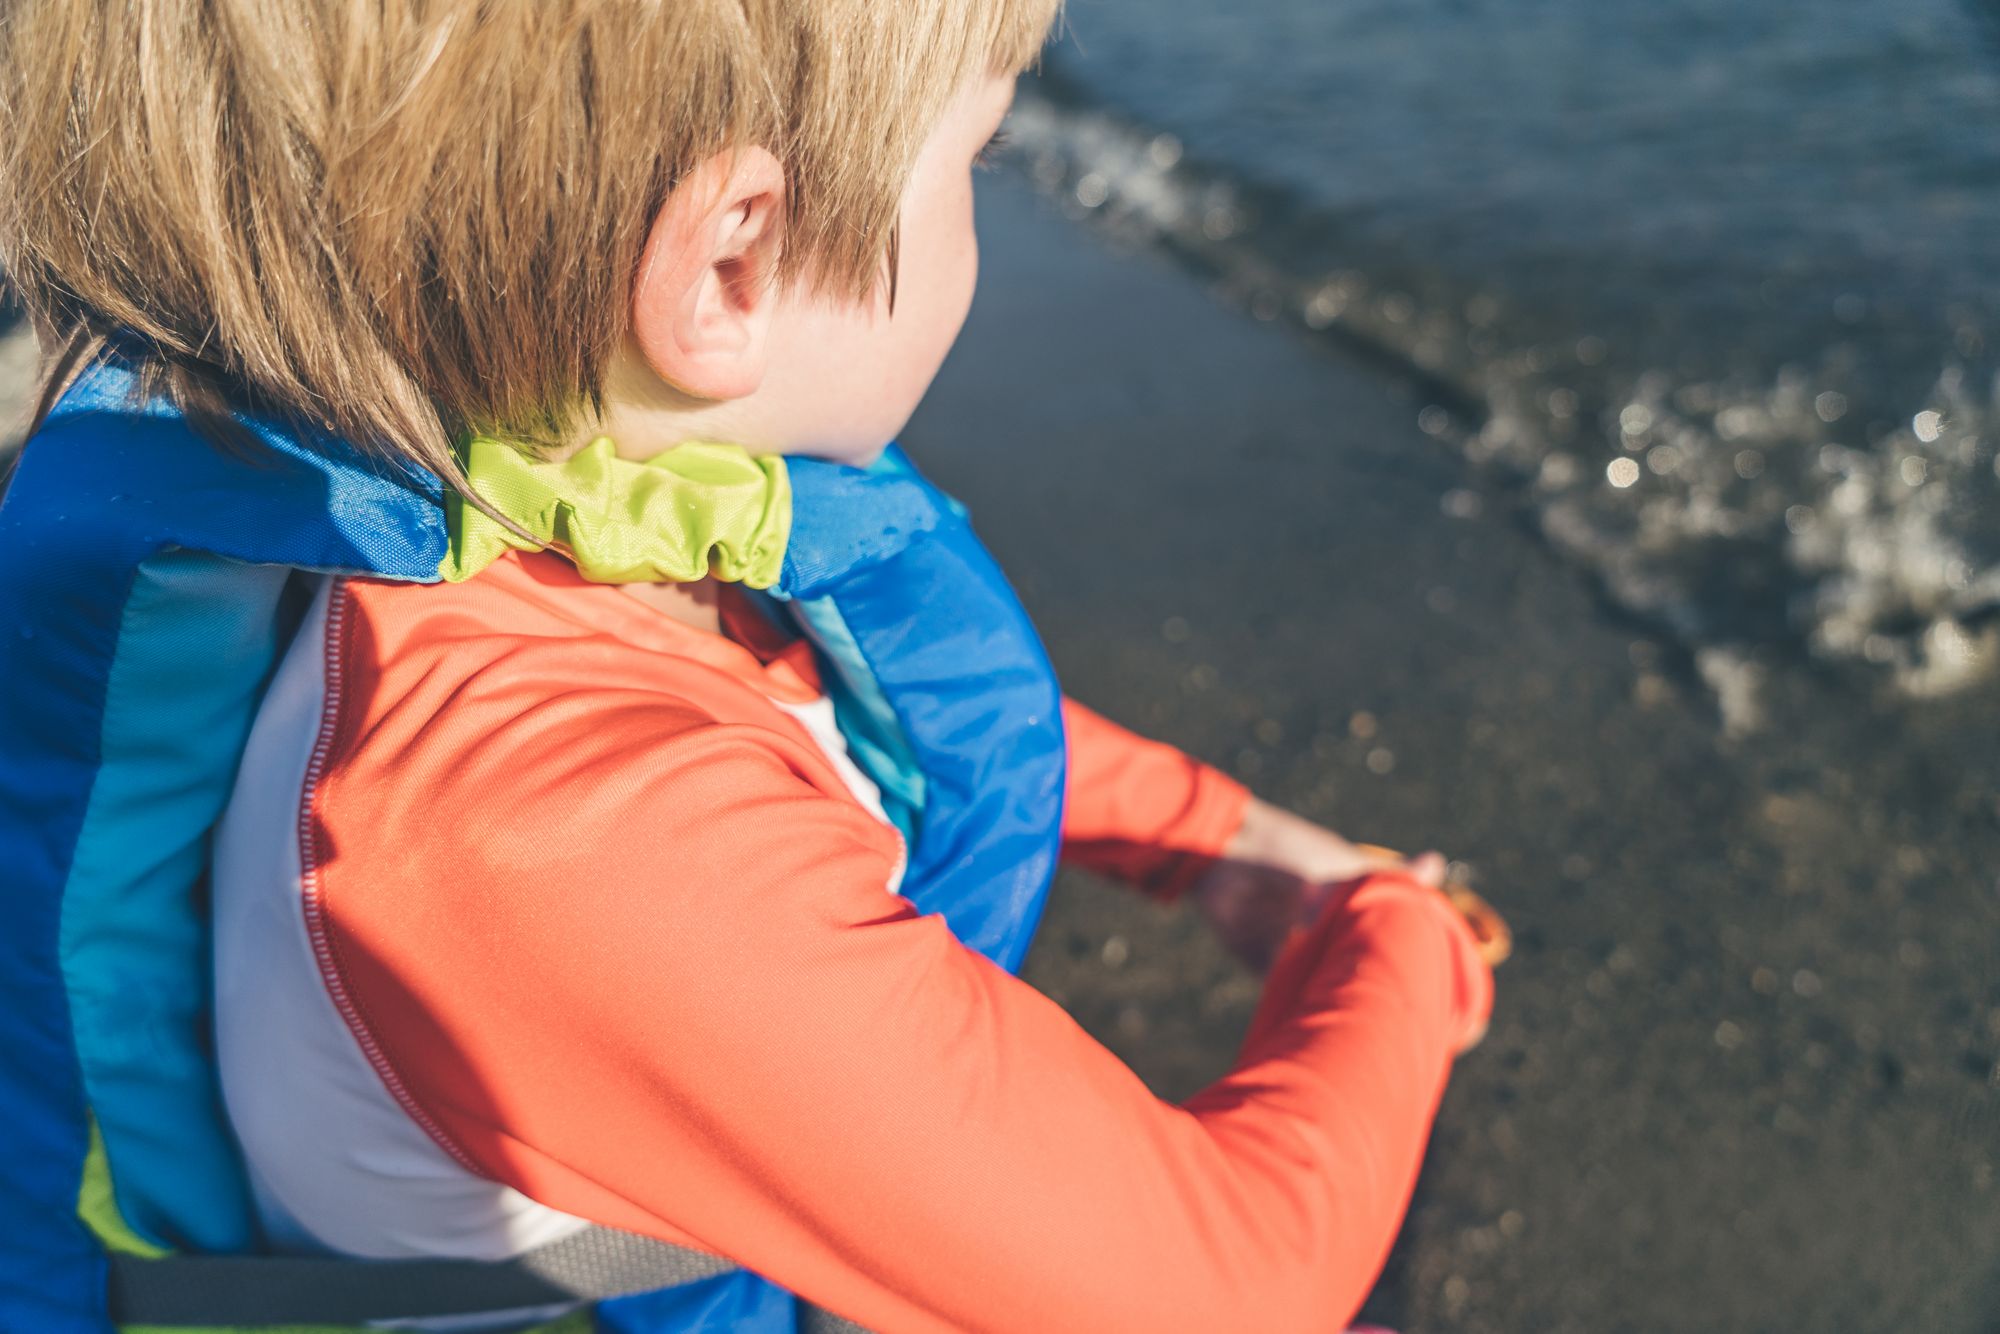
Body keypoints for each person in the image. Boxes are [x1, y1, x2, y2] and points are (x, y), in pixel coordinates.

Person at [0, 3, 1497, 1331]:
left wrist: (1208, 836)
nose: (979, 209)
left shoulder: (490, 500)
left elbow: (789, 684)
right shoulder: (569, 844)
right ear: (731, 262)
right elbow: (1229, 1280)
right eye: (971, 161)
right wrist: (1407, 940)